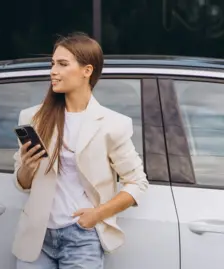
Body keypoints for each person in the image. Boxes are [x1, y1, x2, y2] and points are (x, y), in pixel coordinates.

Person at [12, 32, 149, 269]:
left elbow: (137, 183)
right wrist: (26, 168)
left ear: (87, 71)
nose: (53, 71)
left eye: (63, 64)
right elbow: (22, 184)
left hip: (82, 238)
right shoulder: (33, 118)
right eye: (53, 64)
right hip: (37, 237)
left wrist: (97, 215)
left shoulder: (112, 124)